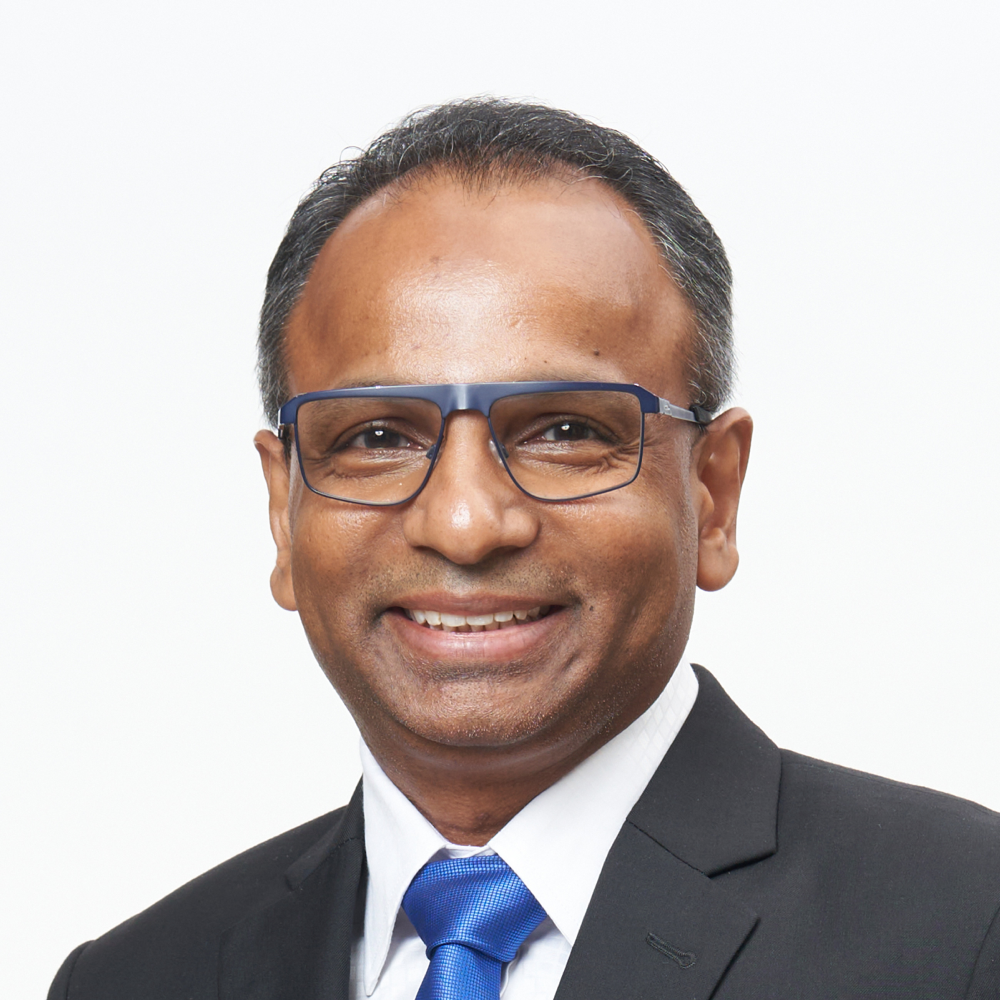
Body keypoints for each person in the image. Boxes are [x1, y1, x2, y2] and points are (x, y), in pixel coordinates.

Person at [48, 98, 1000, 1000]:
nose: (465, 524)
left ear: (713, 494)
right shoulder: (136, 979)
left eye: (564, 431)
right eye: (376, 437)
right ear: (283, 508)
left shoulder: (967, 929)